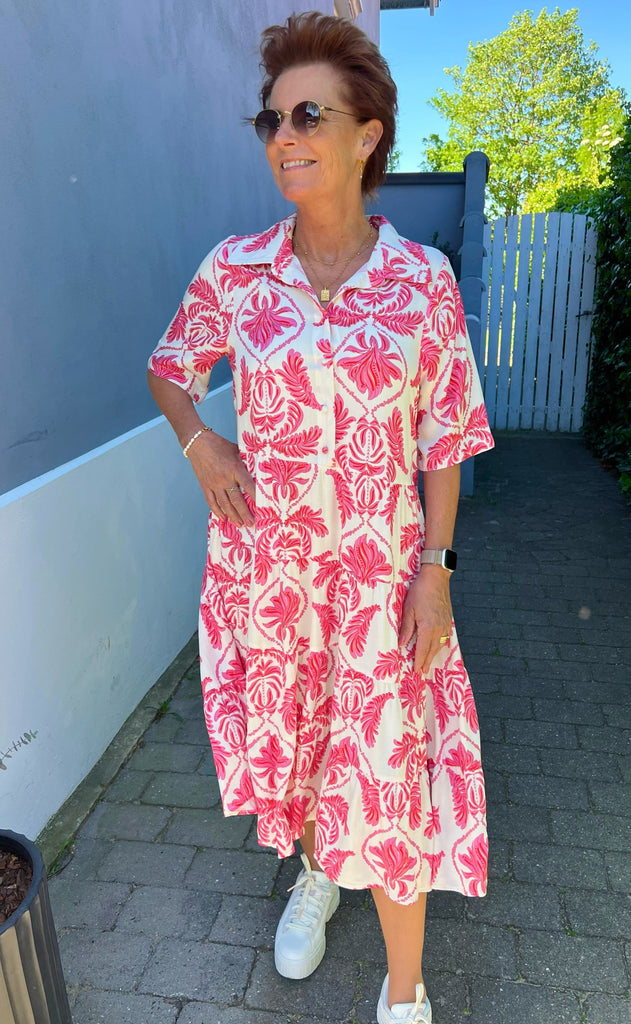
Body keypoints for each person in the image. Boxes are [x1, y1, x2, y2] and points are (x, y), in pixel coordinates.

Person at [147, 12, 494, 1024]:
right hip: (275, 575)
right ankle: (314, 874)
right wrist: (201, 443)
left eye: (308, 115)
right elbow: (170, 369)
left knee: (389, 771)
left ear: (366, 134)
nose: (284, 136)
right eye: (271, 119)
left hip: (383, 580)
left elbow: (444, 438)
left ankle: (404, 988)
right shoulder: (236, 271)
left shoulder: (421, 284)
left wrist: (436, 568)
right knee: (299, 750)